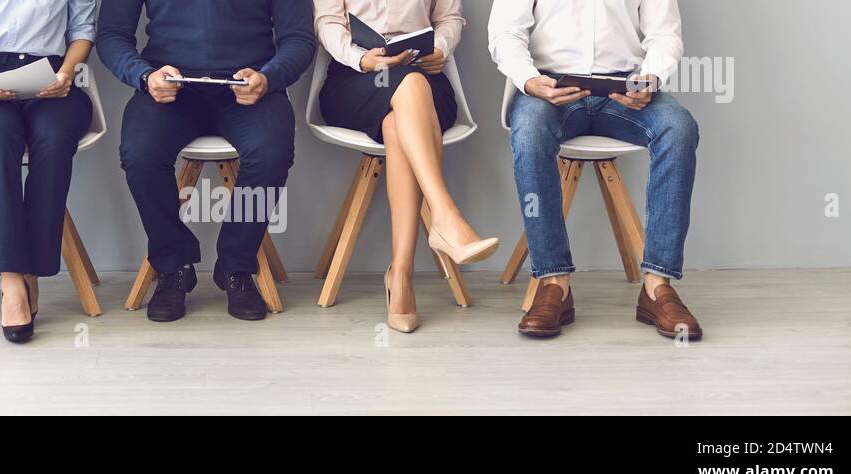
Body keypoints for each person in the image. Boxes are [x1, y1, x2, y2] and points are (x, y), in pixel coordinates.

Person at [488, 0, 703, 340]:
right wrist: (530, 80)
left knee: (679, 129)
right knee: (529, 133)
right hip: (551, 87)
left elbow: (664, 34)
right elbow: (505, 32)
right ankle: (554, 282)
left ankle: (657, 286)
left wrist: (651, 77)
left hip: (624, 89)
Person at [97, 0, 316, 323]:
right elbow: (111, 34)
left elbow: (299, 38)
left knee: (272, 152)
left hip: (250, 86)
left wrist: (268, 78)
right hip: (170, 87)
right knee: (140, 153)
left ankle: (236, 266)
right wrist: (144, 76)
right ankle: (174, 265)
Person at [315, 0, 499, 333]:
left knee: (397, 122)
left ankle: (400, 274)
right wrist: (360, 58)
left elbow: (450, 19)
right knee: (406, 91)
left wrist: (440, 48)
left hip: (425, 81)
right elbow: (327, 22)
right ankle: (444, 216)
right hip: (357, 78)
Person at [0, 0, 97, 345]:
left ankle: (34, 271)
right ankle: (12, 280)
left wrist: (66, 73)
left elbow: (82, 31)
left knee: (54, 137)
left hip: (52, 78)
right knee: (0, 135)